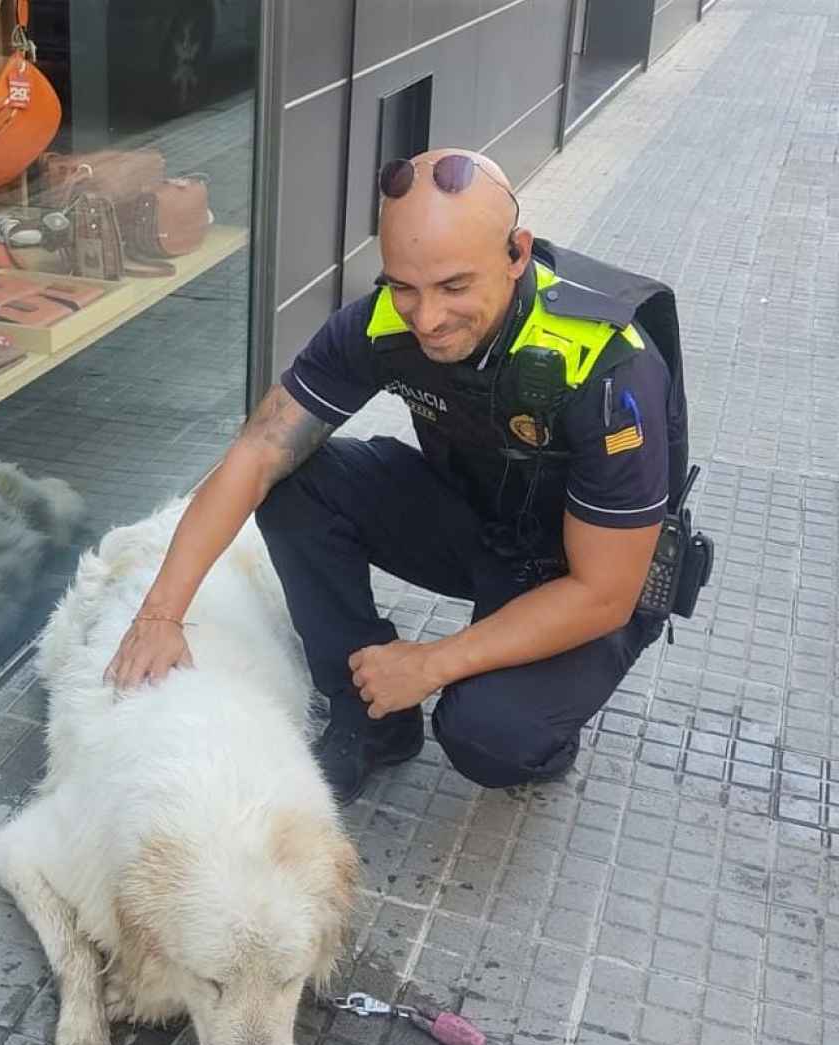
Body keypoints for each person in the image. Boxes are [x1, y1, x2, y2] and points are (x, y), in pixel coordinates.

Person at [105, 147, 689, 804]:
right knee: (295, 481)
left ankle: (544, 718)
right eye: (404, 286)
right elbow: (259, 449)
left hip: (581, 576)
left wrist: (432, 662)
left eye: (455, 286)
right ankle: (371, 718)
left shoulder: (609, 368)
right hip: (480, 526)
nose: (428, 318)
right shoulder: (384, 320)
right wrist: (160, 614)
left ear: (517, 253)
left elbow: (606, 593)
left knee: (489, 735)